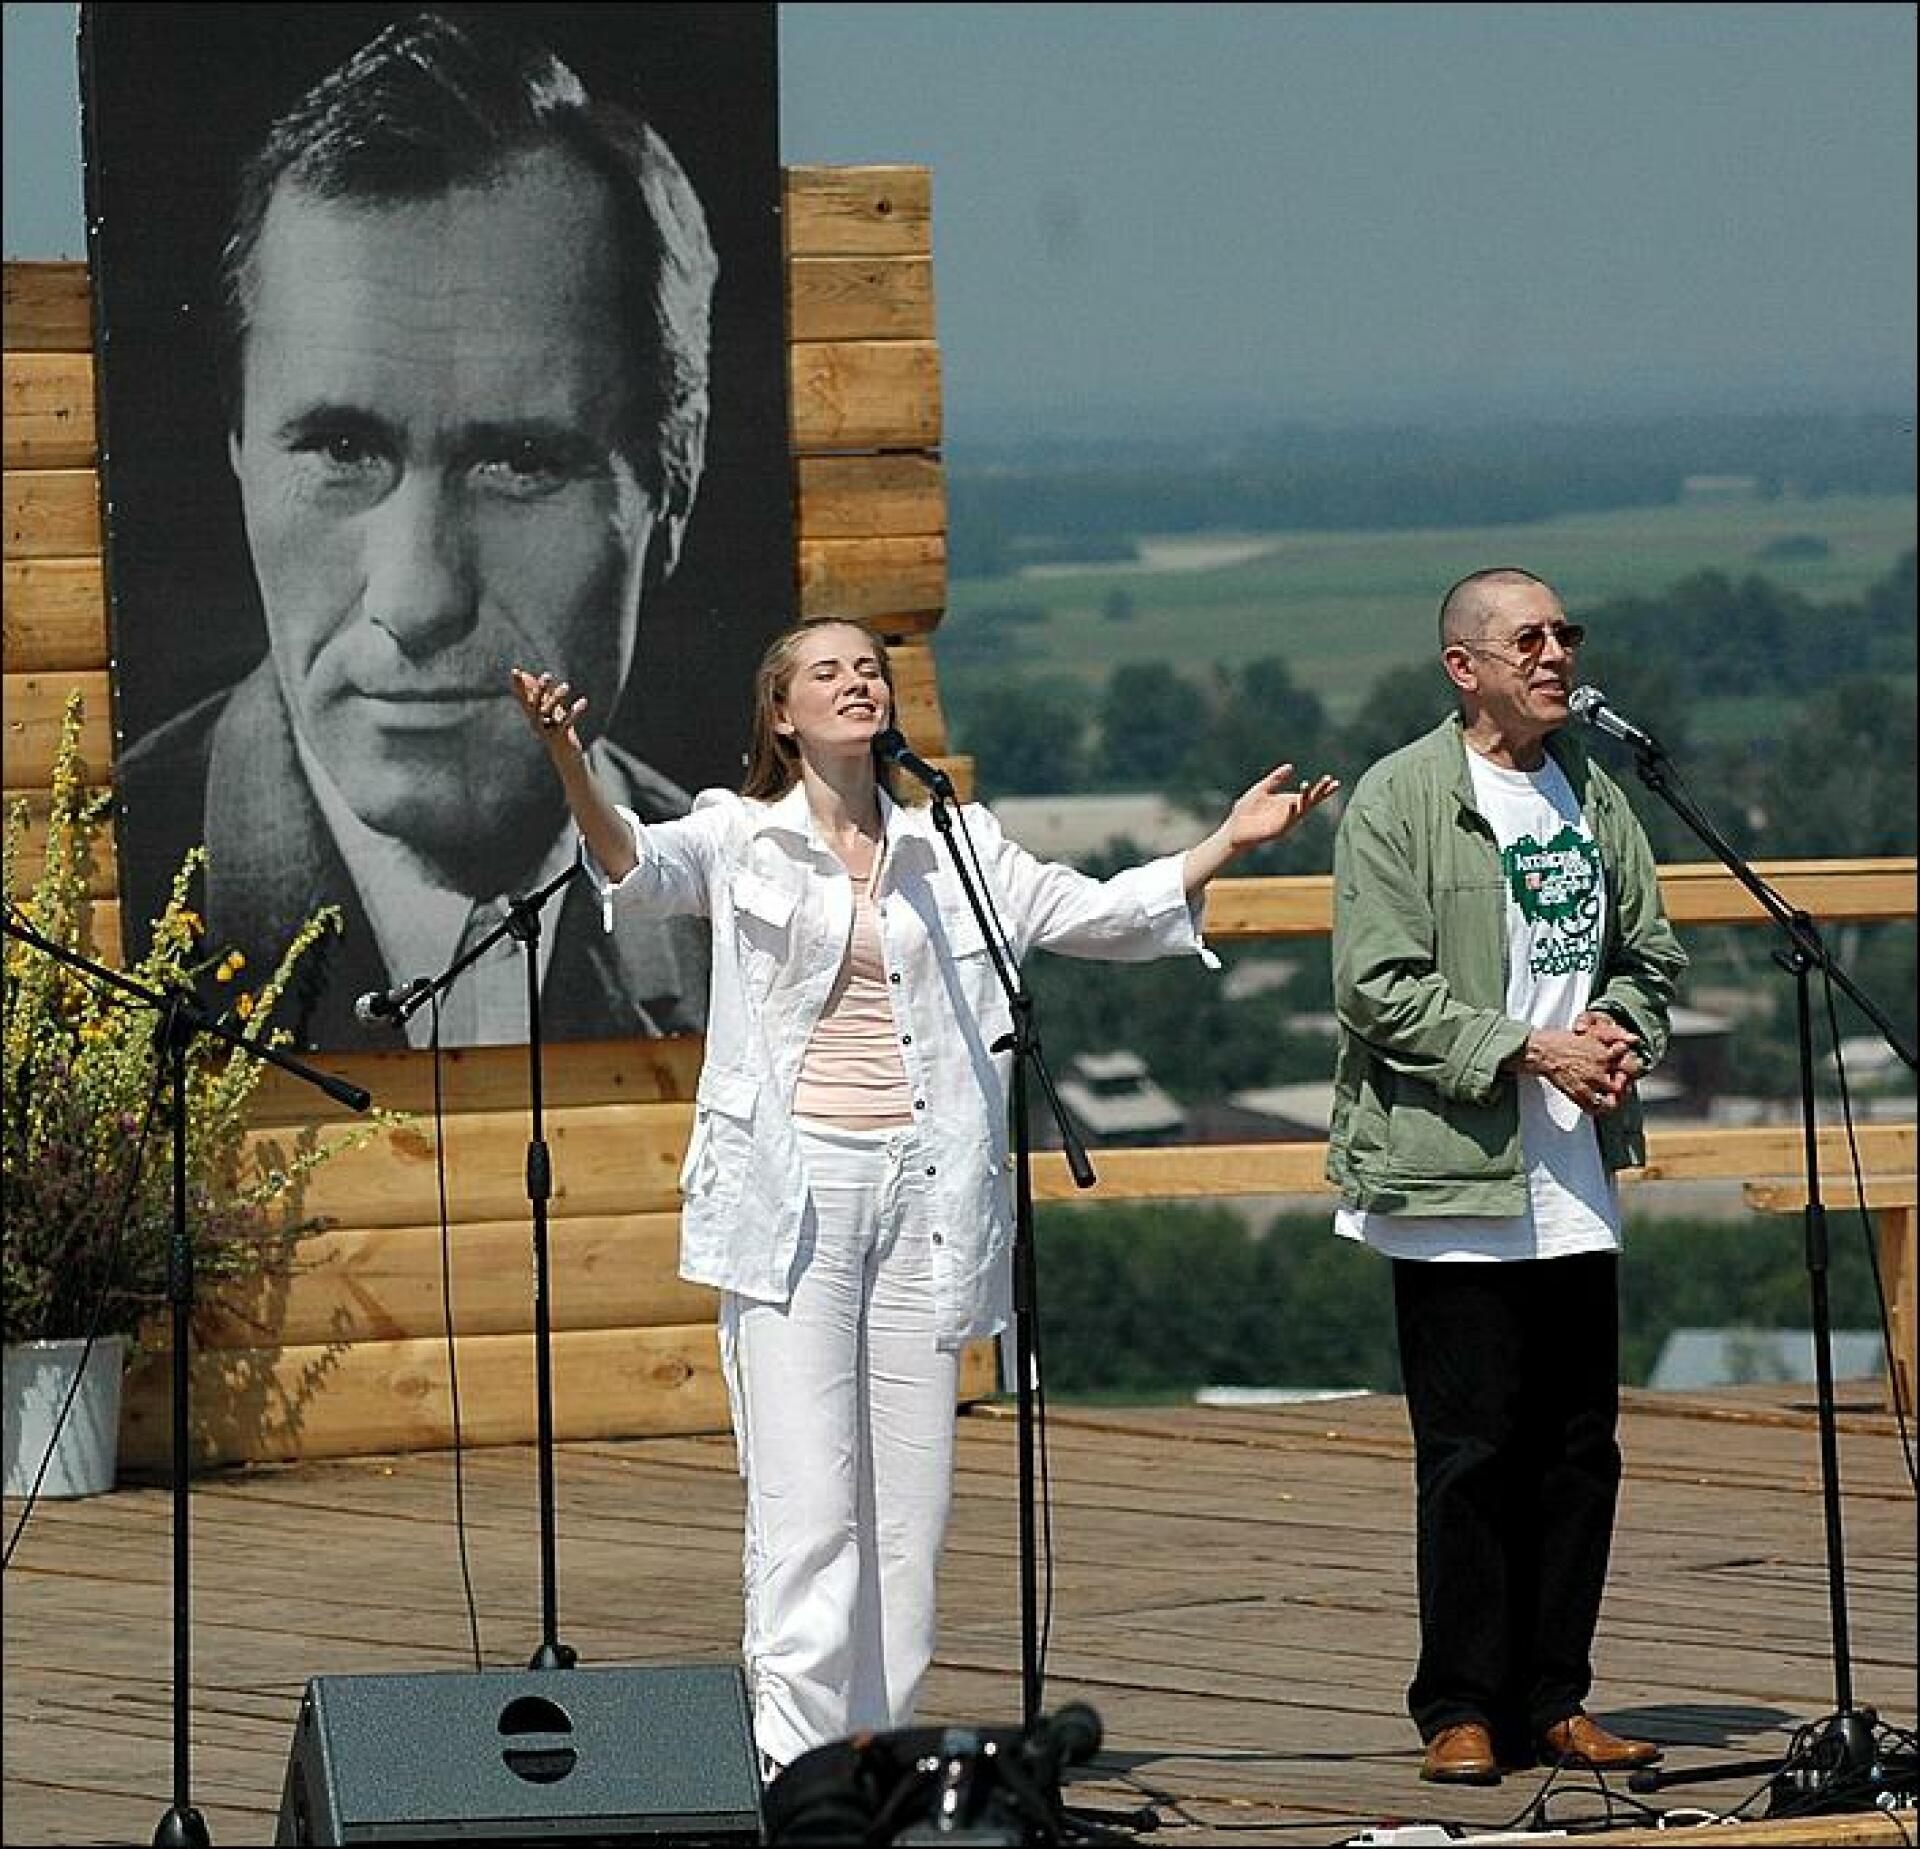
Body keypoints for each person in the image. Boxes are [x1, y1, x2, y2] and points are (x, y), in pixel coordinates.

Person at [511, 617, 1339, 1777]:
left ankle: (879, 1751)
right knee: (811, 1505)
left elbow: (1092, 913)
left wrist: (1224, 845)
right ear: (782, 715)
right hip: (797, 1192)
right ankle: (797, 1769)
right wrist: (566, 755)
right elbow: (631, 864)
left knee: (908, 1509)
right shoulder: (741, 834)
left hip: (928, 1189)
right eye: (827, 672)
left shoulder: (955, 842)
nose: (857, 682)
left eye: (870, 669)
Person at [115, 9, 726, 1048]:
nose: (417, 599)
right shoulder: (84, 892)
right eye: (340, 449)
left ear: (673, 479)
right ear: (239, 452)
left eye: (519, 462)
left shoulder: (747, 913)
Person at [1326, 567, 1687, 1785]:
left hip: (1573, 1170)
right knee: (1472, 1451)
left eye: (1564, 633)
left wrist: (1622, 1028)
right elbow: (1378, 987)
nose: (1555, 655)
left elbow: (1650, 951)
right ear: (1463, 666)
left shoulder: (1594, 788)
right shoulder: (1402, 797)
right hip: (1454, 1175)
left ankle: (1555, 1697)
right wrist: (1532, 1049)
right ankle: (1461, 1704)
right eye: (1527, 638)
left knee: (1579, 1446)